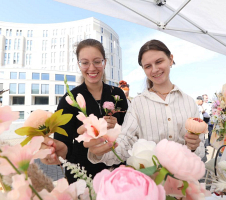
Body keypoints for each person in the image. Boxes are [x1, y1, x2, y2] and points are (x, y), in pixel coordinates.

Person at [83, 39, 205, 167]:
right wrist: (101, 152)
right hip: (151, 182)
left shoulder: (189, 102)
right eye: (148, 66)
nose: (154, 69)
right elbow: (125, 142)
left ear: (170, 59)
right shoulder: (137, 104)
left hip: (183, 180)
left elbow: (200, 147)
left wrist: (194, 147)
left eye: (159, 62)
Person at [40, 39, 128, 184]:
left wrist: (118, 126)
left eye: (97, 61)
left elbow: (129, 134)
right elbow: (63, 144)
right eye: (85, 62)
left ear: (104, 62)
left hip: (117, 173)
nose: (92, 68)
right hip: (83, 176)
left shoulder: (116, 94)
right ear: (79, 65)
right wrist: (59, 152)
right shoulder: (69, 100)